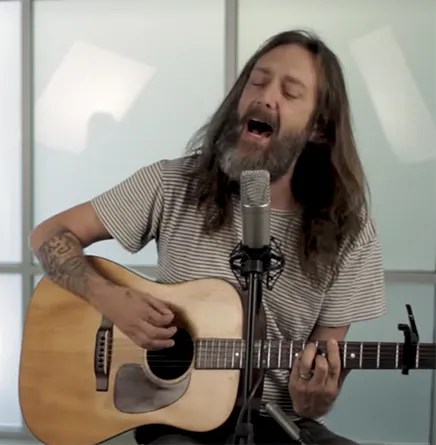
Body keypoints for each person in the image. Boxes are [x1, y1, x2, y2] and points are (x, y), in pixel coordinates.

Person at [29, 29, 386, 445]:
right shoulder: (172, 183)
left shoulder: (349, 230)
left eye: (290, 93)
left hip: (278, 423)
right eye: (257, 81)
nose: (265, 97)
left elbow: (320, 372)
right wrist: (110, 299)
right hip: (175, 422)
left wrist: (315, 400)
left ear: (319, 128)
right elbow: (48, 235)